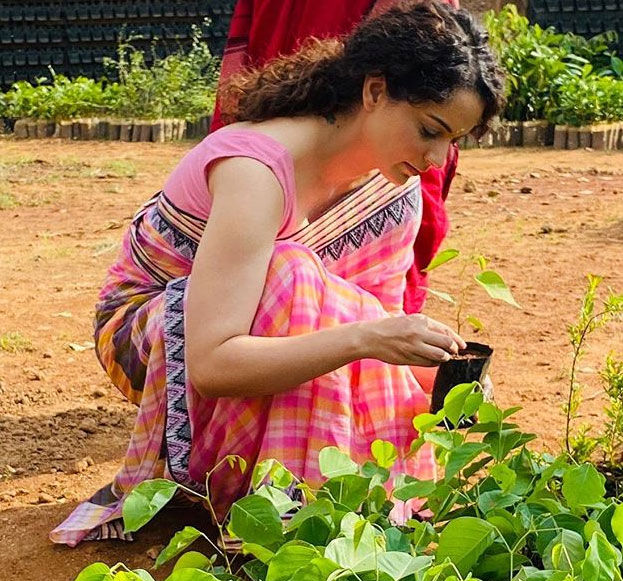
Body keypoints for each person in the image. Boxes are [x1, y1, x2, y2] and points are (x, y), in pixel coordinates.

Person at [51, 0, 505, 546]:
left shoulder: (393, 192)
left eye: (451, 141)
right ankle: (284, 518)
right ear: (375, 91)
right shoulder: (257, 170)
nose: (436, 159)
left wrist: (438, 377)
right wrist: (366, 338)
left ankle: (328, 510)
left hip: (263, 335)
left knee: (324, 306)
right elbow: (213, 365)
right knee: (291, 276)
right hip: (154, 338)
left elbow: (368, 317)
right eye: (429, 130)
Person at [210, 0, 460, 326]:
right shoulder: (250, 168)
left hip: (282, 112)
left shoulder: (243, 157)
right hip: (356, 136)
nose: (439, 158)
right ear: (373, 90)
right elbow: (423, 65)